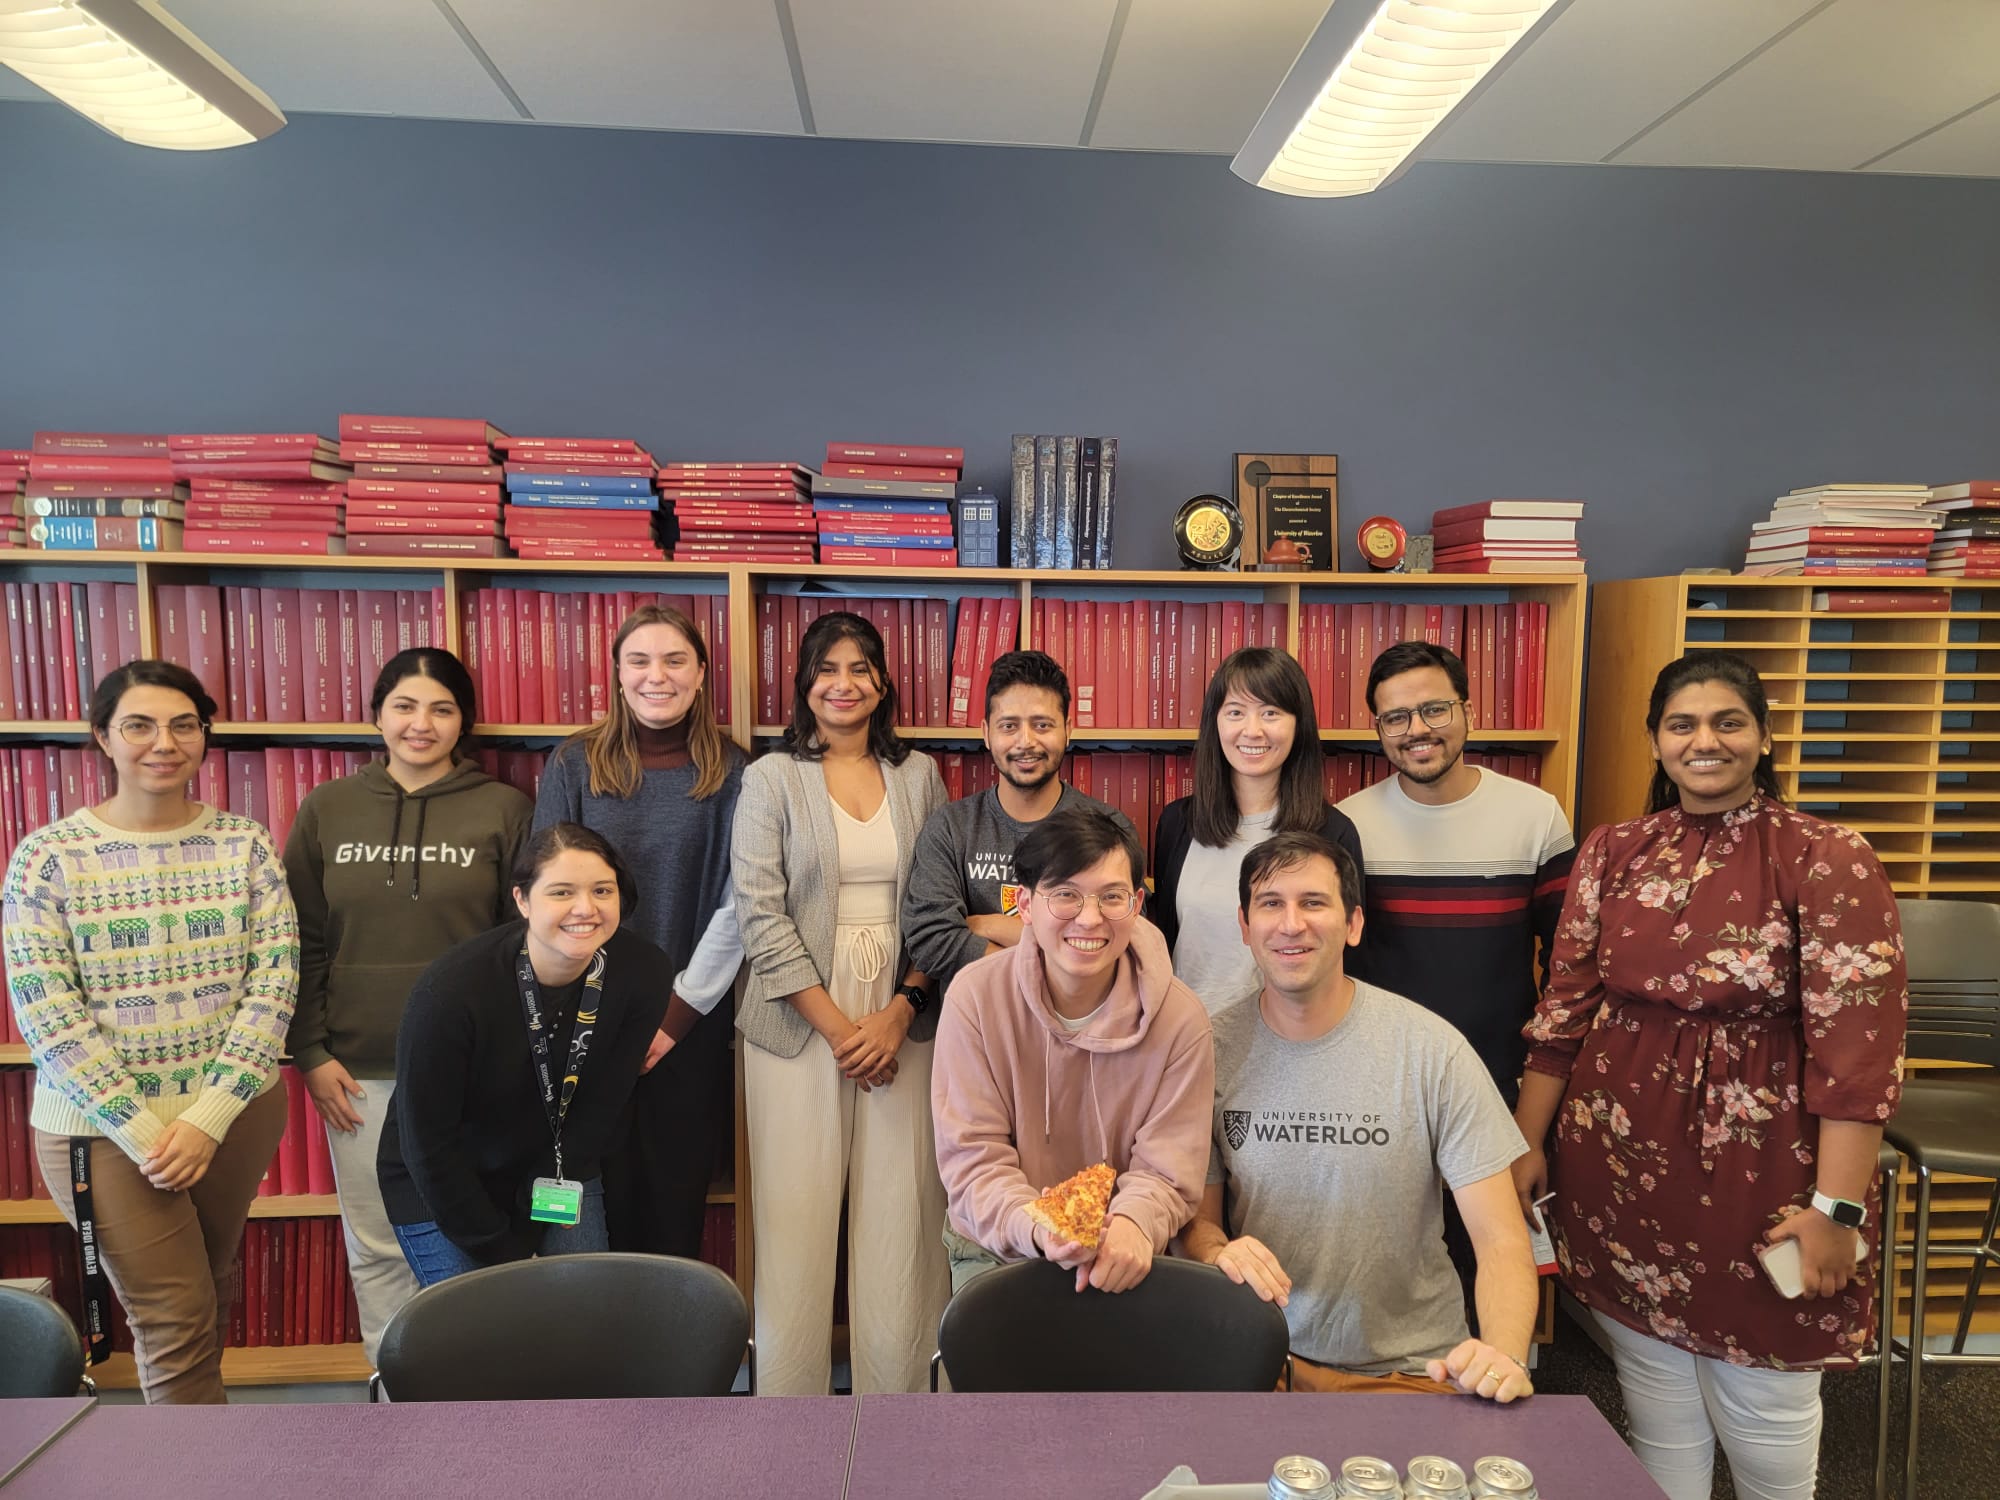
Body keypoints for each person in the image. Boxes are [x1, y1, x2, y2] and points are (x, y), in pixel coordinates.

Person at [1513, 651, 1906, 1500]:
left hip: (1771, 1170)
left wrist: (1838, 1208)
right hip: (1619, 1164)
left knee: (1766, 1400)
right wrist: (1525, 1145)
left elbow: (1859, 1059)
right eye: (1682, 724)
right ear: (1656, 741)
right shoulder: (1615, 850)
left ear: (1762, 736)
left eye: (1728, 722)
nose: (1705, 742)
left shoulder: (1826, 856)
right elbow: (1562, 1016)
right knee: (1652, 1384)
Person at [2, 660, 297, 1403]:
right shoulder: (47, 855)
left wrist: (207, 1118)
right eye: (138, 724)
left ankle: (197, 1463)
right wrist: (140, 1129)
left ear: (204, 736)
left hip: (232, 1115)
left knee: (208, 1291)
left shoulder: (245, 844)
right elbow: (46, 1010)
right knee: (174, 1317)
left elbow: (274, 982)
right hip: (102, 1131)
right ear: (103, 736)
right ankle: (194, 1479)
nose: (162, 742)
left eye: (184, 724)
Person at [1184, 831, 1537, 1401]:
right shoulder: (1207, 1053)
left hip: (1414, 1370)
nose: (1291, 923)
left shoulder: (1432, 1050)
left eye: (1313, 903)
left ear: (1353, 924)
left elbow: (1500, 1240)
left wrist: (1503, 1357)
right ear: (1245, 928)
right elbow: (1195, 1226)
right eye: (1271, 904)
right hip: (1264, 1363)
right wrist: (1218, 1251)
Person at [283, 647, 531, 1359]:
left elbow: (520, 948)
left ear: (465, 722)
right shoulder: (329, 808)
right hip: (356, 1072)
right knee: (381, 1247)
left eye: (442, 708)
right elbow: (299, 937)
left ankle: (480, 1402)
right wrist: (311, 1052)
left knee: (474, 1234)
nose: (421, 724)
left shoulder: (504, 809)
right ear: (377, 714)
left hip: (470, 1072)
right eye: (405, 705)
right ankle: (397, 1401)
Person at [733, 610, 949, 1396]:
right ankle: (788, 1421)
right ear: (804, 683)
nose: (844, 684)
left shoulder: (919, 775)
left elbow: (938, 903)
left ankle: (902, 1416)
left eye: (861, 668)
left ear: (883, 683)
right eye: (827, 668)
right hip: (796, 1022)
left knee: (904, 1225)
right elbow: (760, 915)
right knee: (793, 1228)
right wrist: (839, 1032)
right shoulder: (769, 778)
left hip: (902, 1020)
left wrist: (898, 1012)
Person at [534, 602, 745, 1258]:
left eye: (675, 660)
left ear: (702, 673)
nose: (658, 676)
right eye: (640, 661)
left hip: (688, 1026)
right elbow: (543, 893)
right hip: (582, 1024)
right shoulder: (574, 764)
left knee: (672, 1212)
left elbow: (741, 906)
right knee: (586, 1214)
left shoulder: (735, 772)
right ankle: (599, 1357)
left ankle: (669, 1357)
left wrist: (675, 1019)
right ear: (618, 676)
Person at [931, 806, 1213, 1295]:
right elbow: (973, 1161)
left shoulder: (1181, 1018)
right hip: (999, 1242)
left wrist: (1132, 1223)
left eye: (1111, 897)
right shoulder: (974, 998)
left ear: (1138, 903)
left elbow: (1168, 1169)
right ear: (1025, 904)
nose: (1089, 918)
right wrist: (1040, 1227)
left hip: (1126, 1240)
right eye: (1065, 895)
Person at [377, 822, 674, 1285]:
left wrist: (530, 1215)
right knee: (491, 1335)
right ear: (521, 899)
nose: (585, 909)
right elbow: (428, 1144)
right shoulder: (451, 991)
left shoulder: (644, 972)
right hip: (446, 1178)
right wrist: (503, 1247)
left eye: (602, 890)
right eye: (561, 892)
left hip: (558, 1163)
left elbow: (599, 1110)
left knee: (582, 1322)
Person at [1337, 640, 1574, 1099]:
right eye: (1396, 717)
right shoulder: (1348, 825)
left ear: (1469, 711)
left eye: (1435, 710)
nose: (1417, 729)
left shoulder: (1536, 815)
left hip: (1500, 1082)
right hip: (1379, 1083)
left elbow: (1566, 967)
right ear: (1380, 728)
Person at [903, 650, 1135, 1001]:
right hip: (977, 1030)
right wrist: (1048, 967)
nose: (1026, 741)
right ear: (986, 733)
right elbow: (930, 939)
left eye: (1042, 725)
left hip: (1082, 1034)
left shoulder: (1108, 828)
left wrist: (985, 924)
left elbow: (1124, 936)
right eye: (1009, 726)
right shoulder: (951, 827)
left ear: (1068, 730)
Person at [1151, 646, 1365, 1012]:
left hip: (1287, 1040)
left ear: (1298, 725)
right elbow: (1167, 939)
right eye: (1236, 712)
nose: (1253, 731)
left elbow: (1342, 959)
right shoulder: (1178, 823)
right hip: (1187, 1037)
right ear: (1215, 722)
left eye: (1271, 713)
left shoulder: (1332, 832)